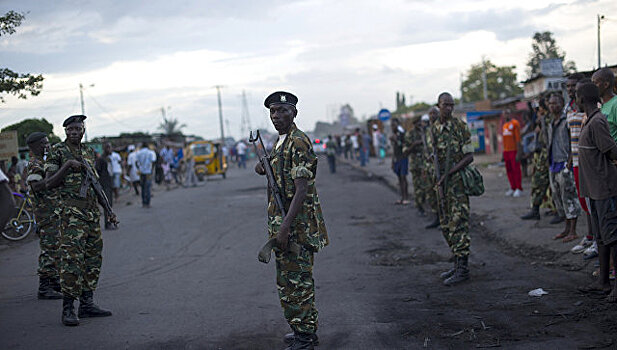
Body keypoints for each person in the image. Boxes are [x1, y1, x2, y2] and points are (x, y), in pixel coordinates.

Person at [254, 91, 328, 350]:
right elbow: (281, 174)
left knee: (297, 283)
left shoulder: (298, 142)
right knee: (290, 280)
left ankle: (305, 338)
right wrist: (264, 167)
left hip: (296, 227)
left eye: (283, 111)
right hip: (285, 224)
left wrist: (285, 228)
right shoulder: (280, 142)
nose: (277, 116)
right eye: (273, 111)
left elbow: (301, 188)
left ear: (294, 113)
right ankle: (304, 330)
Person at [44, 115, 114, 326]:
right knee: (72, 262)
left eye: (78, 129)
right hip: (71, 216)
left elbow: (95, 184)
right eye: (70, 129)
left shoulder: (88, 152)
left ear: (83, 131)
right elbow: (49, 183)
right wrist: (67, 166)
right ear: (65, 131)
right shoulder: (57, 152)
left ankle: (87, 304)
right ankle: (68, 308)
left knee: (93, 261)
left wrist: (108, 210)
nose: (74, 132)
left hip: (92, 215)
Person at [427, 92, 475, 286]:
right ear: (438, 106)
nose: (448, 108)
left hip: (457, 183)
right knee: (446, 224)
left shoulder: (460, 127)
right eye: (445, 105)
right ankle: (456, 264)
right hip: (441, 184)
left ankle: (463, 269)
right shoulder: (434, 129)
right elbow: (433, 155)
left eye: (451, 105)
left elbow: (469, 156)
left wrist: (450, 172)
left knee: (459, 224)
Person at [575, 82, 617, 301]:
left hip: (604, 189)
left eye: (575, 95)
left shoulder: (597, 122)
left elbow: (611, 150)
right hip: (594, 190)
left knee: (612, 237)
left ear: (581, 99)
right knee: (601, 237)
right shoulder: (590, 121)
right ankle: (603, 282)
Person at [25, 132, 63, 299]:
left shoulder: (47, 162)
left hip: (53, 212)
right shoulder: (35, 164)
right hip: (45, 213)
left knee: (56, 247)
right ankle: (44, 287)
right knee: (49, 248)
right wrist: (53, 179)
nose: (47, 146)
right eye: (44, 143)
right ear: (35, 146)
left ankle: (54, 282)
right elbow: (36, 186)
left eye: (48, 143)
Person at [565, 75, 594, 254]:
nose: (570, 90)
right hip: (575, 159)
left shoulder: (589, 108)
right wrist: (569, 160)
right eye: (568, 86)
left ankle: (596, 239)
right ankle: (591, 236)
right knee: (584, 201)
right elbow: (571, 137)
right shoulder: (570, 107)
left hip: (587, 160)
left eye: (573, 87)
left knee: (592, 202)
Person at [547, 93, 582, 243]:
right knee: (558, 197)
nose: (553, 106)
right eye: (550, 103)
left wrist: (569, 162)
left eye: (556, 103)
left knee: (569, 197)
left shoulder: (566, 119)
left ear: (562, 104)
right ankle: (566, 229)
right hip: (553, 164)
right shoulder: (550, 122)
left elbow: (573, 142)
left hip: (564, 163)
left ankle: (573, 231)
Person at [521, 97, 552, 221]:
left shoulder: (549, 119)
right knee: (539, 182)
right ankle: (536, 209)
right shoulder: (544, 118)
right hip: (542, 153)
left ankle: (541, 209)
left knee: (543, 183)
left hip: (548, 153)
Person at [403, 115, 426, 215]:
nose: (420, 124)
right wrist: (414, 145)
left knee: (426, 186)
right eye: (418, 123)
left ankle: (423, 203)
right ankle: (419, 206)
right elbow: (405, 151)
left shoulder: (425, 132)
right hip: (416, 163)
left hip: (425, 162)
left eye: (420, 122)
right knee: (417, 187)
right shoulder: (410, 134)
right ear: (414, 124)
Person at [424, 107, 441, 229]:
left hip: (440, 168)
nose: (432, 115)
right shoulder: (427, 131)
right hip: (429, 167)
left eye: (434, 113)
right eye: (430, 113)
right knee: (431, 194)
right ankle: (436, 217)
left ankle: (445, 219)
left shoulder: (441, 128)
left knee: (441, 194)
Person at [592, 68, 617, 142]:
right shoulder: (599, 105)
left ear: (606, 85)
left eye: (595, 83)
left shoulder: (615, 104)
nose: (592, 87)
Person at [502, 110, 523, 197]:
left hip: (514, 150)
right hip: (506, 151)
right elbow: (504, 140)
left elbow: (518, 139)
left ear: (510, 114)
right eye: (504, 113)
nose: (505, 115)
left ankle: (519, 188)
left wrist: (519, 152)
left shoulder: (515, 123)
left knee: (516, 170)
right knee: (509, 170)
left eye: (507, 113)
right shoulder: (504, 126)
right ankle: (512, 187)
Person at [95, 143, 115, 230]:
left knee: (109, 203)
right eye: (109, 148)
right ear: (106, 148)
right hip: (104, 184)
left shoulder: (108, 158)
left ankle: (109, 222)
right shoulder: (101, 159)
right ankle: (108, 223)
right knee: (107, 204)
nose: (111, 149)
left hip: (108, 183)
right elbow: (97, 172)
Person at [390, 118, 410, 205]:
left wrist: (396, 141)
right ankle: (402, 197)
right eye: (391, 125)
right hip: (397, 159)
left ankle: (406, 197)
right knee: (399, 179)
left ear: (398, 125)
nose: (392, 127)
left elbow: (405, 146)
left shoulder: (402, 134)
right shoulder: (394, 134)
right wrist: (392, 161)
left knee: (403, 177)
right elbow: (394, 150)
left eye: (394, 125)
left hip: (403, 158)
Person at [136, 142, 156, 207]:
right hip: (148, 172)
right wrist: (151, 170)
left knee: (143, 187)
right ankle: (148, 202)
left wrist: (139, 168)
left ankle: (143, 202)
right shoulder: (150, 152)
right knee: (148, 187)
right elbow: (153, 162)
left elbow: (136, 162)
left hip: (141, 173)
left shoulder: (139, 153)